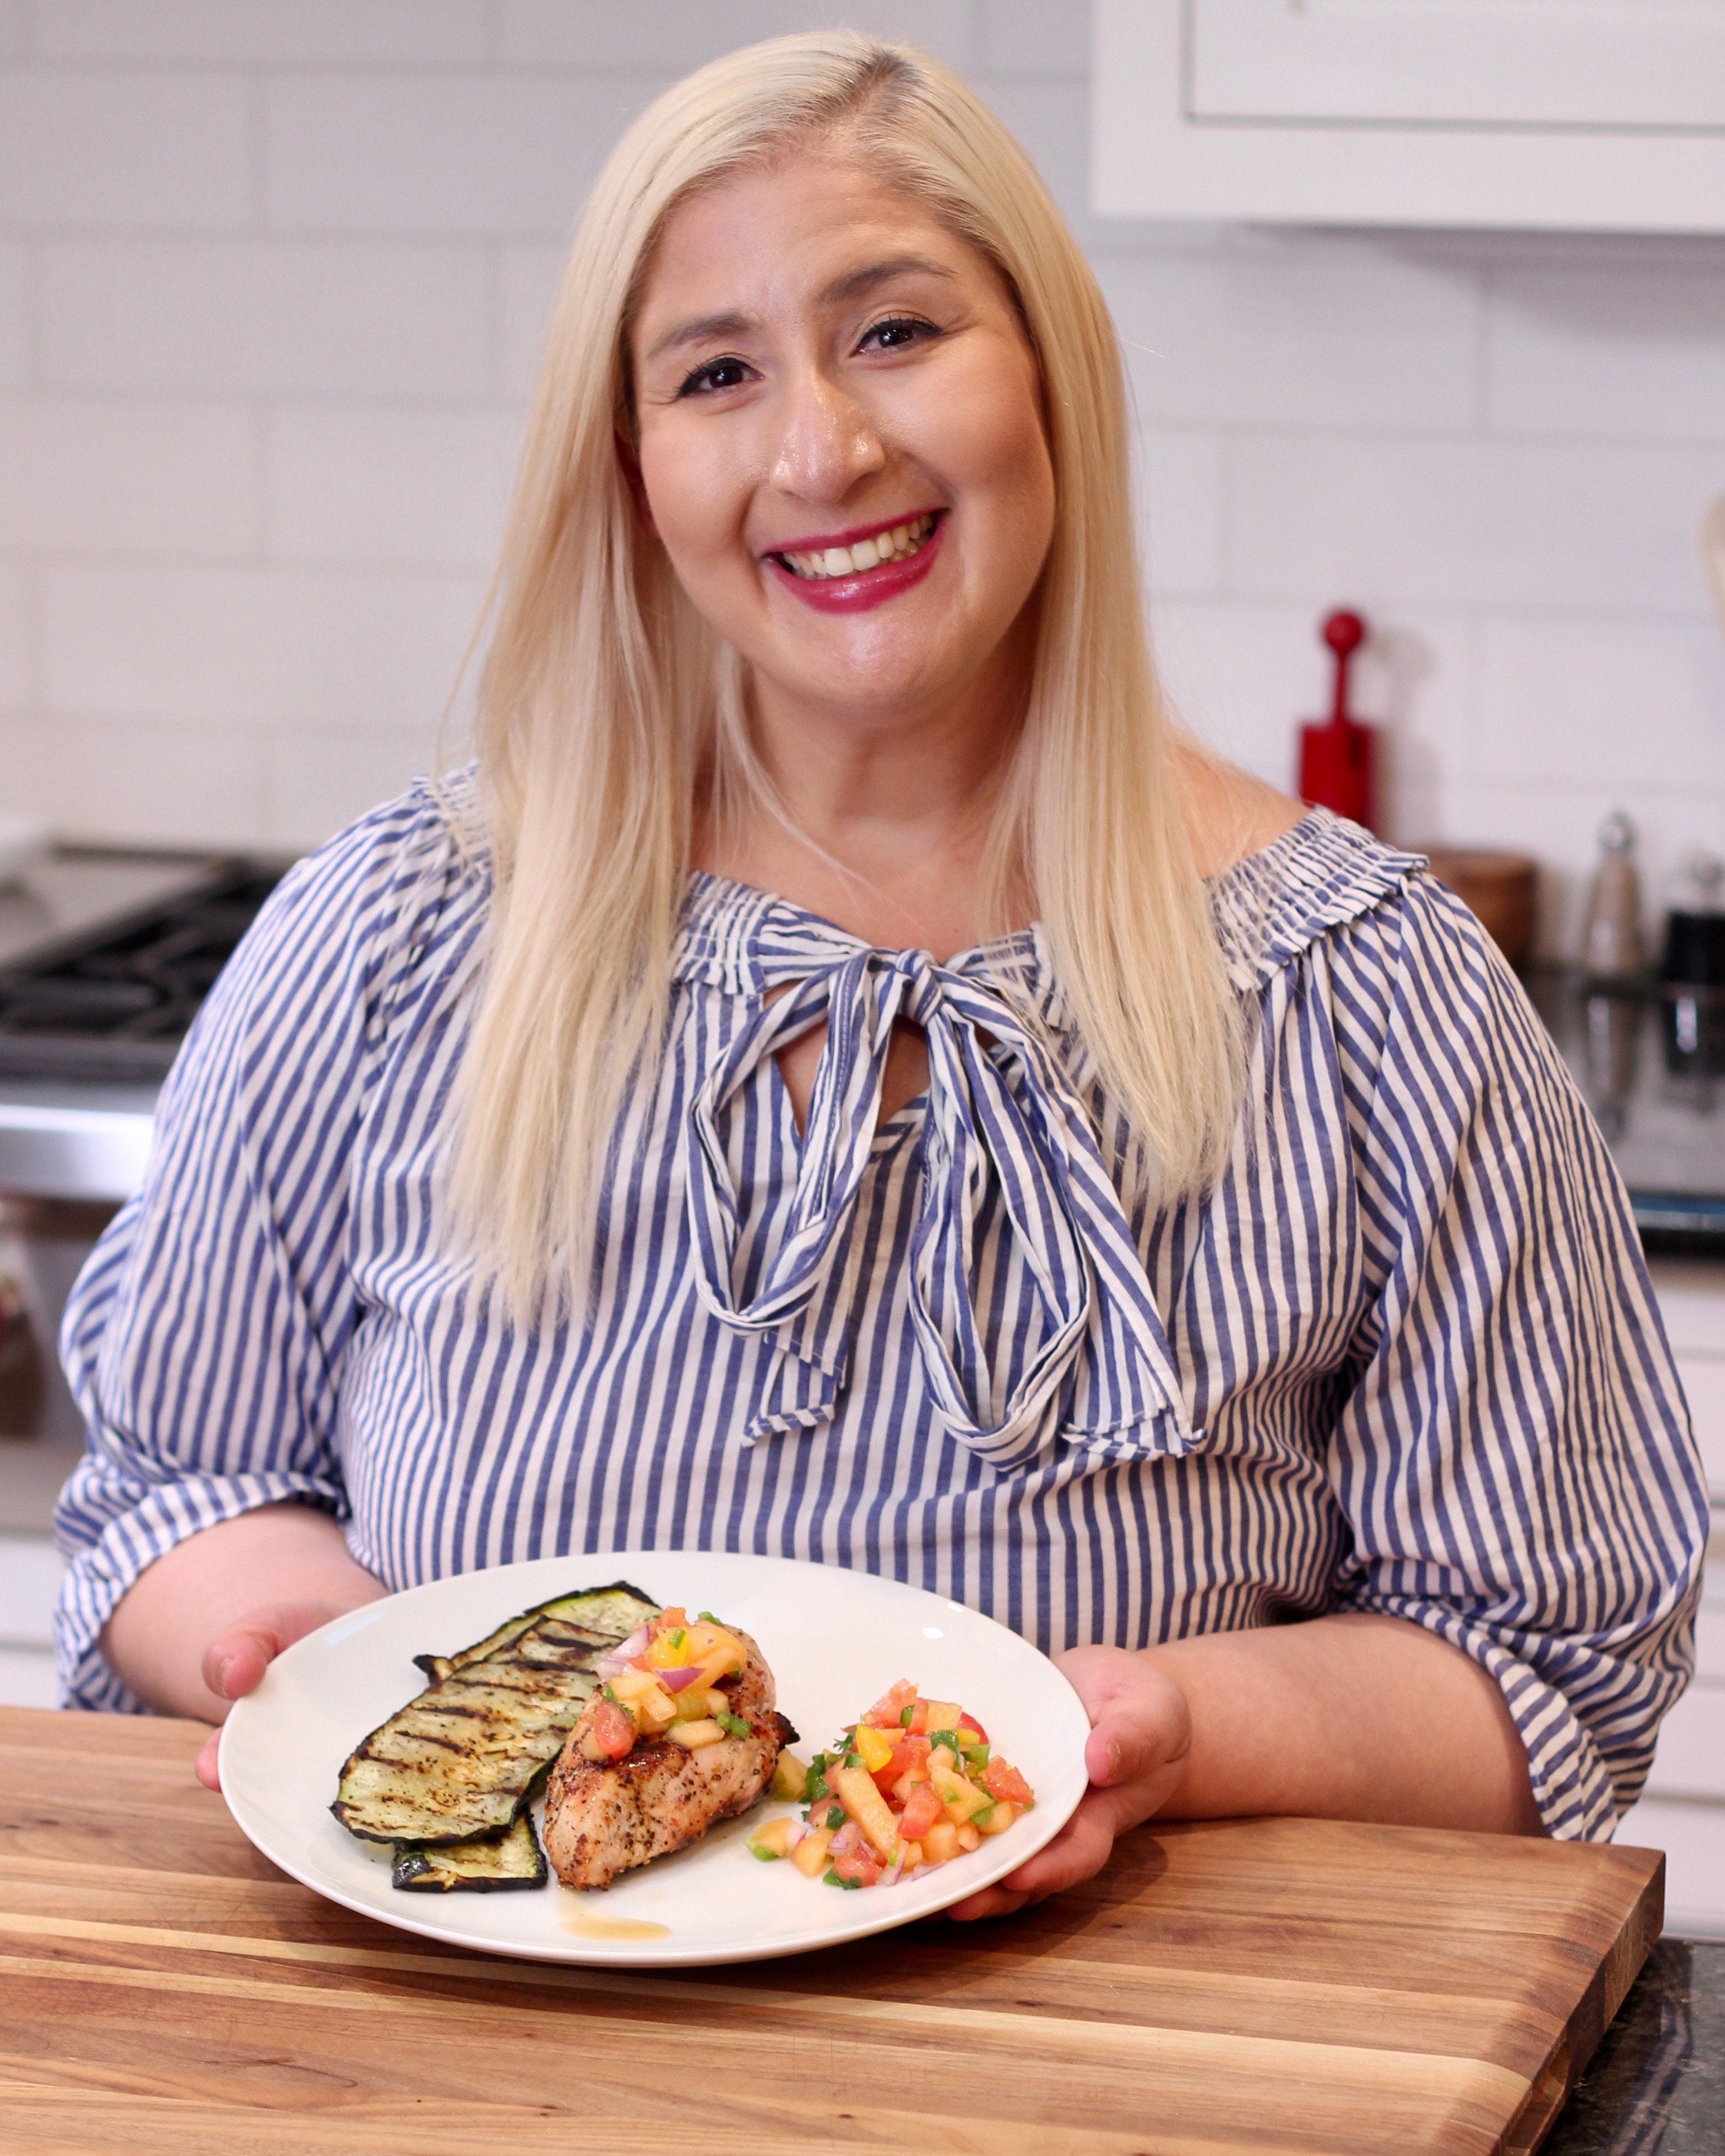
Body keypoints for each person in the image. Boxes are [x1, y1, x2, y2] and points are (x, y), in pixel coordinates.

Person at [55, 33, 1707, 1920]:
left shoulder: (1373, 994)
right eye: (716, 372)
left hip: (1113, 2079)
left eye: (896, 330)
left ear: (1052, 376)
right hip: (476, 2048)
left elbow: (1532, 1664)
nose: (819, 448)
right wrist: (310, 1656)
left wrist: (1170, 1727)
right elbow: (174, 1486)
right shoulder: (396, 932)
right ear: (634, 463)